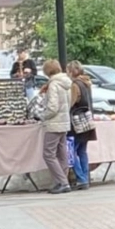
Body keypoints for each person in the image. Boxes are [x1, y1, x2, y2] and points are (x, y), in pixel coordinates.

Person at [40, 59, 73, 194]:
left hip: (54, 123)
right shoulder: (66, 83)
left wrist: (43, 115)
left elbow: (53, 107)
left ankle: (62, 182)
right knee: (62, 153)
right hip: (64, 121)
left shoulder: (53, 84)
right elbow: (68, 102)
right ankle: (61, 180)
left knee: (48, 154)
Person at [66, 61, 96, 190]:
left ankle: (81, 178)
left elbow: (71, 103)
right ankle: (86, 177)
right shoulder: (87, 83)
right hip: (87, 121)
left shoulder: (75, 85)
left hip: (76, 123)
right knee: (82, 151)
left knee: (71, 151)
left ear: (72, 71)